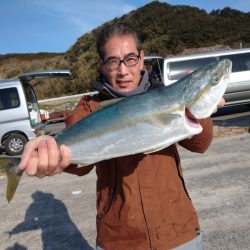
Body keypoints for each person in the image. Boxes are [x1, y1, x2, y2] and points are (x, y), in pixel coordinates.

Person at [19, 23, 225, 250]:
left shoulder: (165, 96)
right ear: (102, 65)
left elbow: (200, 145)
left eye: (130, 59)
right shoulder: (89, 108)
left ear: (141, 58)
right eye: (113, 62)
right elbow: (79, 165)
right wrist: (50, 157)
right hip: (119, 238)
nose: (123, 70)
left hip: (178, 232)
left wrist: (202, 111)